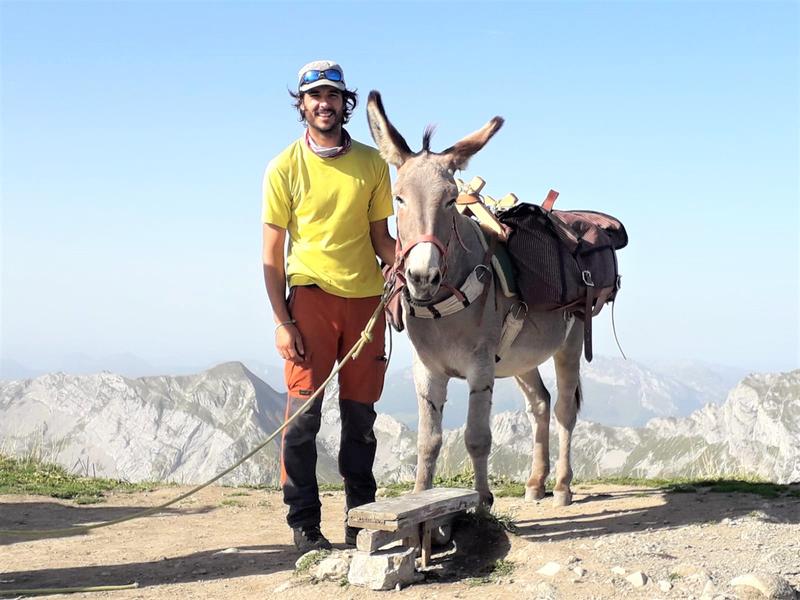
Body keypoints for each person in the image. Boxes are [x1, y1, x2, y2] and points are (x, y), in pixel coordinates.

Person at [261, 60, 396, 552]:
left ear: (345, 103)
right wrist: (282, 321)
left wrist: (410, 264)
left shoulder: (372, 165)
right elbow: (271, 255)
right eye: (314, 95)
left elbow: (382, 239)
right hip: (310, 302)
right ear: (301, 104)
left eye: (332, 96)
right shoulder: (284, 167)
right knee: (302, 420)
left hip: (365, 305)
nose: (324, 103)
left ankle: (361, 521)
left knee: (360, 422)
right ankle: (304, 525)